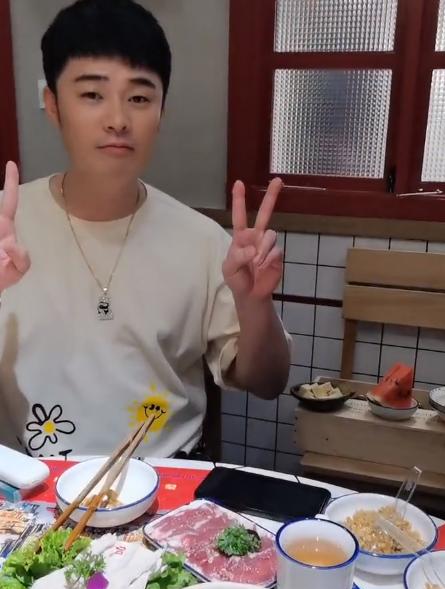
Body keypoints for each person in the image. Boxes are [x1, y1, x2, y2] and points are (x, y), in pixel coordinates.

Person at [0, 0, 289, 460]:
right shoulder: (7, 229)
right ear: (53, 105)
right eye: (92, 95)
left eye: (138, 98)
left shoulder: (204, 242)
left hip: (166, 484)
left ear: (161, 110)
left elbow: (269, 382)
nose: (117, 119)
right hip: (29, 487)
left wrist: (255, 304)